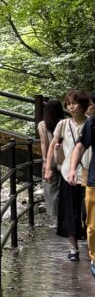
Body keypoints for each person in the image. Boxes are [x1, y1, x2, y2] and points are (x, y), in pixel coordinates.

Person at [54, 89, 89, 260]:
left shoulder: (91, 123)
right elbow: (55, 145)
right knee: (70, 211)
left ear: (83, 104)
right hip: (69, 172)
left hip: (89, 172)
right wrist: (49, 165)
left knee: (88, 212)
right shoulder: (63, 125)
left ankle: (92, 247)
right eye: (68, 104)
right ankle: (73, 248)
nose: (71, 107)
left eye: (74, 103)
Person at [67, 92, 95, 277]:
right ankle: (94, 258)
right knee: (92, 225)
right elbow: (80, 146)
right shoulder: (92, 123)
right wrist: (71, 170)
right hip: (94, 181)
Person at [40, 98, 66, 228]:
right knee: (65, 188)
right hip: (64, 158)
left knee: (50, 190)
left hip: (50, 159)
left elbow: (44, 143)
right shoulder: (65, 123)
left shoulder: (42, 124)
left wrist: (45, 161)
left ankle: (55, 220)